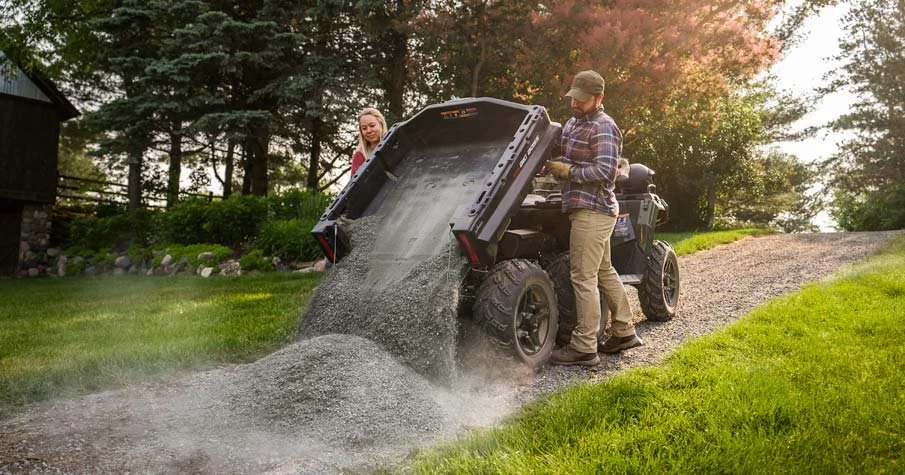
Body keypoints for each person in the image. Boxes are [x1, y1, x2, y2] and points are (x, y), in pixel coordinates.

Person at [546, 70, 643, 366]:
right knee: (603, 272)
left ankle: (585, 346)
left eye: (582, 100)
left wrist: (569, 173)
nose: (575, 104)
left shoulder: (604, 127)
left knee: (582, 276)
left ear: (599, 97)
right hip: (584, 208)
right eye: (574, 98)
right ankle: (624, 331)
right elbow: (561, 151)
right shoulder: (574, 123)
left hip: (594, 210)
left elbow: (605, 171)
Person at [351, 107, 388, 175]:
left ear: (381, 124)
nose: (369, 131)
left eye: (372, 125)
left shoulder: (393, 144)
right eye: (364, 128)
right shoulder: (359, 155)